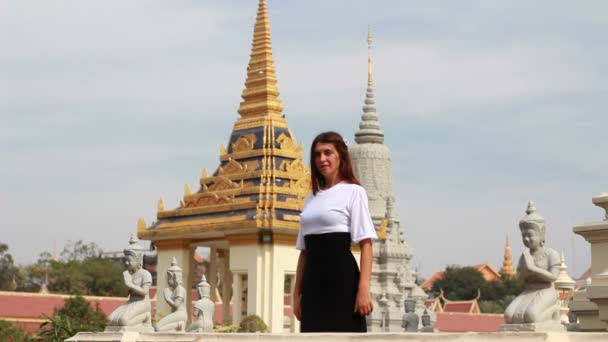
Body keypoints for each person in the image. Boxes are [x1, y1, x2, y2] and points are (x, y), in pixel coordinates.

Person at [293, 131, 377, 332]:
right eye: (317, 154)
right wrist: (297, 293)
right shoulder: (310, 199)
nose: (322, 159)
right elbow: (304, 252)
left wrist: (363, 289)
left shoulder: (354, 192)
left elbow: (366, 245)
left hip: (343, 282)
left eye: (328, 153)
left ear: (340, 155)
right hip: (313, 284)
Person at [504, 201, 561, 324]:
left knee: (531, 317)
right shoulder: (524, 256)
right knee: (509, 316)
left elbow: (553, 277)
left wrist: (533, 268)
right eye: (523, 236)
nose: (526, 239)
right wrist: (525, 270)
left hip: (546, 290)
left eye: (529, 235)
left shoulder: (551, 254)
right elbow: (519, 280)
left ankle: (553, 310)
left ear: (541, 234)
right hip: (529, 290)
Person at [107, 235, 152, 329]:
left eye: (129, 260)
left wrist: (130, 284)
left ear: (138, 259)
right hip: (131, 301)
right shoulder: (129, 275)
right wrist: (125, 285)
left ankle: (145, 317)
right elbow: (125, 294)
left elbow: (144, 292)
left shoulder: (145, 274)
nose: (126, 263)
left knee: (123, 321)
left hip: (142, 302)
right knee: (111, 320)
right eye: (125, 260)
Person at [155, 257, 187, 332]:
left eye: (169, 278)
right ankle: (178, 325)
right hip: (176, 314)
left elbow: (176, 305)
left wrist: (167, 298)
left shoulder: (180, 289)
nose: (168, 281)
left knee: (158, 327)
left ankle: (179, 324)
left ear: (175, 277)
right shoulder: (175, 290)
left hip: (180, 314)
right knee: (158, 328)